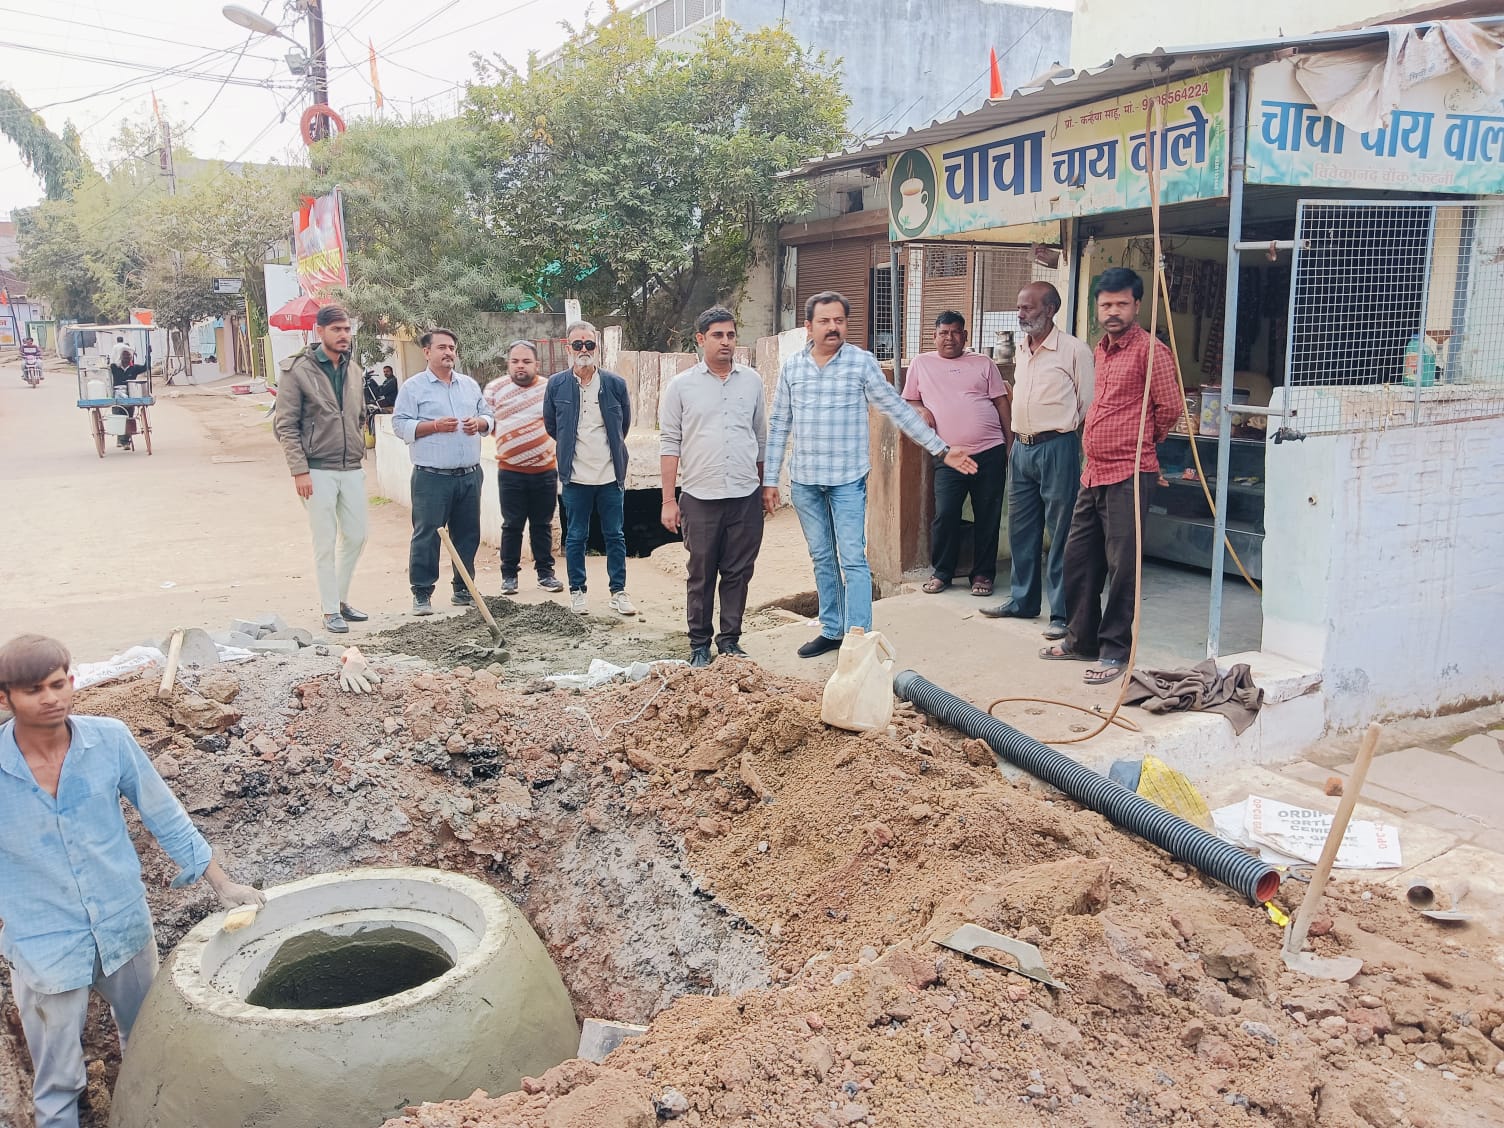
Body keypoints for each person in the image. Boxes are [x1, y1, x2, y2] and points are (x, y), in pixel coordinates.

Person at [0, 633, 264, 1128]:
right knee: (58, 1082)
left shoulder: (109, 740)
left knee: (150, 1046)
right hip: (43, 943)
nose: (52, 697)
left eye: (59, 684)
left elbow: (165, 814)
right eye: (35, 690)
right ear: (5, 698)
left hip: (124, 926)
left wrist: (224, 887)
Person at [763, 291, 978, 659]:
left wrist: (941, 448)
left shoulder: (861, 364)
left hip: (847, 480)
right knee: (822, 557)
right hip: (805, 481)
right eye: (824, 321)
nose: (833, 327)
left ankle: (858, 635)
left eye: (839, 320)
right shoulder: (792, 368)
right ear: (808, 327)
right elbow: (780, 422)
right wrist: (770, 479)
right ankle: (832, 630)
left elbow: (898, 409)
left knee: (852, 559)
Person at [1040, 267, 1181, 685]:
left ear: (1137, 306)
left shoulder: (1151, 351)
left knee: (1123, 566)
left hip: (1130, 472)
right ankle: (1080, 638)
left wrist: (1142, 444)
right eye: (1106, 304)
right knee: (1078, 556)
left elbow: (1169, 407)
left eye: (1121, 303)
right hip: (1094, 472)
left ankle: (1115, 650)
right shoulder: (1101, 350)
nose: (1113, 311)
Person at [981, 281, 1096, 640]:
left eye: (1028, 308)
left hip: (1057, 447)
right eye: (1019, 307)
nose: (1020, 314)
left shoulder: (1074, 350)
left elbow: (1087, 404)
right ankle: (1023, 600)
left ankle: (1061, 612)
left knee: (1062, 533)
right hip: (1022, 448)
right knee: (1021, 530)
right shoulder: (1022, 348)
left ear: (1050, 310)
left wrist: (1064, 437)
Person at [660, 306, 767, 667]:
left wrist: (766, 486)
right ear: (701, 339)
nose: (726, 342)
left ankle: (731, 641)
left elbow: (760, 438)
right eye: (718, 335)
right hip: (700, 497)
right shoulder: (681, 386)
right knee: (701, 571)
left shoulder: (752, 381)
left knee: (738, 571)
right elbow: (670, 444)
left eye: (731, 335)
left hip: (744, 495)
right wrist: (668, 500)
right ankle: (699, 645)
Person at [272, 305, 370, 636]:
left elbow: (357, 416)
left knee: (357, 535)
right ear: (320, 332)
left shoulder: (354, 369)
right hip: (316, 469)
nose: (344, 335)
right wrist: (299, 470)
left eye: (347, 329)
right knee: (325, 541)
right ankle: (329, 611)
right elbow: (285, 425)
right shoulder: (297, 370)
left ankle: (340, 600)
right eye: (337, 329)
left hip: (351, 465)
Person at [902, 310, 1011, 598]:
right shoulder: (921, 364)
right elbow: (909, 400)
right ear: (934, 336)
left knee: (988, 515)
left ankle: (983, 573)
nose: (949, 338)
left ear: (964, 336)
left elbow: (1001, 403)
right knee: (946, 513)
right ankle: (943, 572)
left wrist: (1010, 444)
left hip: (990, 451)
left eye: (955, 332)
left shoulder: (983, 363)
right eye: (943, 333)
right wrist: (921, 409)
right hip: (949, 455)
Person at [392, 327, 494, 616]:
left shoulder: (469, 385)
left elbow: (488, 415)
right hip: (431, 477)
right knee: (427, 534)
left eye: (452, 347)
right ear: (427, 352)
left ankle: (463, 589)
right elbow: (400, 425)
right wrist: (433, 426)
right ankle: (422, 593)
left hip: (469, 475)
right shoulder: (413, 388)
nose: (449, 352)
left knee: (467, 534)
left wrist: (481, 424)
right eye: (442, 348)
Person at [542, 321, 636, 617]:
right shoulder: (556, 384)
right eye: (578, 345)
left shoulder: (614, 384)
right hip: (575, 477)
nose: (584, 350)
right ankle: (577, 592)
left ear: (597, 347)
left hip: (610, 475)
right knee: (576, 536)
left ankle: (618, 592)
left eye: (589, 344)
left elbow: (623, 426)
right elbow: (552, 425)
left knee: (615, 536)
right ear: (568, 348)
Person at [483, 340, 563, 595]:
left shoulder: (550, 388)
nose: (520, 366)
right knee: (512, 524)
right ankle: (509, 576)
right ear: (508, 363)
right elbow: (488, 423)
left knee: (542, 524)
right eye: (515, 361)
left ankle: (545, 574)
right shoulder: (494, 389)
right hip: (510, 471)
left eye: (526, 361)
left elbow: (560, 421)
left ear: (536, 365)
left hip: (545, 471)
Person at [108, 347, 151, 449]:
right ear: (121, 357)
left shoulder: (134, 368)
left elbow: (146, 367)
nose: (127, 358)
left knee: (128, 417)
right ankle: (121, 439)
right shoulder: (114, 367)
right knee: (119, 416)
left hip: (130, 396)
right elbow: (105, 371)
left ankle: (125, 441)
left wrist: (148, 355)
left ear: (131, 358)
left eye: (128, 356)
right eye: (124, 355)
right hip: (117, 395)